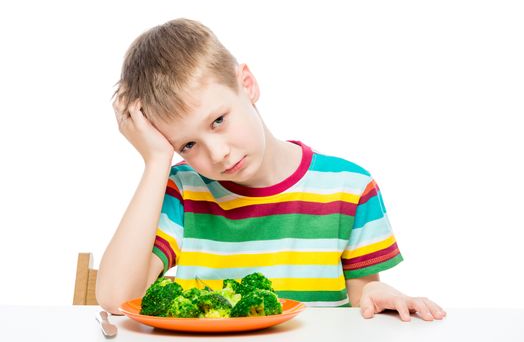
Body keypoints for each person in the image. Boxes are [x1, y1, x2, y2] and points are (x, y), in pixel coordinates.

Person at [96, 18, 446, 322]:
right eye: (188, 145)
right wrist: (157, 161)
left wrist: (377, 299)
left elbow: (363, 299)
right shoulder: (183, 191)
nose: (217, 154)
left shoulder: (349, 188)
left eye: (218, 120)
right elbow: (115, 299)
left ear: (247, 85)